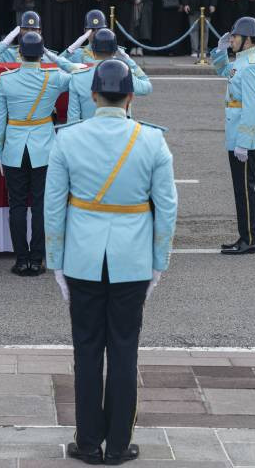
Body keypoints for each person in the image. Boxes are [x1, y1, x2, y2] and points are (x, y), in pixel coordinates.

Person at [45, 58, 177, 466]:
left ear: (92, 94)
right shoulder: (151, 140)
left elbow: (53, 207)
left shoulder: (68, 139)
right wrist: (159, 262)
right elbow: (167, 208)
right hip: (132, 257)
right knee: (124, 350)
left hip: (82, 256)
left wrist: (56, 261)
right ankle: (119, 443)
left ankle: (87, 442)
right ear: (131, 97)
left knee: (86, 351)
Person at [0, 32, 74, 276]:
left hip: (15, 147)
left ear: (19, 53)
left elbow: (0, 121)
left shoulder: (6, 80)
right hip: (44, 147)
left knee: (17, 205)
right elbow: (78, 74)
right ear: (41, 54)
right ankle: (37, 259)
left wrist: (0, 152)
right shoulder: (54, 78)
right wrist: (54, 57)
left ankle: (21, 259)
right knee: (41, 205)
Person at [211, 16, 255, 255]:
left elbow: (252, 108)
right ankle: (244, 236)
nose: (231, 39)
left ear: (247, 39)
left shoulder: (252, 65)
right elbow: (224, 71)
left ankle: (250, 239)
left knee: (244, 189)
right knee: (239, 189)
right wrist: (219, 50)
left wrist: (243, 143)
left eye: (234, 36)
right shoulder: (241, 61)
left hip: (245, 136)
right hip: (236, 132)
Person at [67, 28, 152, 121]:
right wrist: (130, 62)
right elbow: (147, 87)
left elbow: (73, 119)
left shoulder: (77, 77)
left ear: (93, 52)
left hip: (88, 133)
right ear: (115, 51)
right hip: (121, 132)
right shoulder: (124, 74)